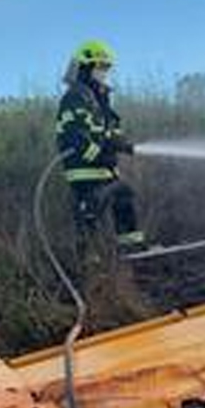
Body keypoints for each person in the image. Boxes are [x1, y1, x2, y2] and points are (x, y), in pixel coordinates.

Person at [55, 39, 145, 252]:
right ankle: (89, 265)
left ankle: (131, 251)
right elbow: (72, 136)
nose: (105, 72)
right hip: (84, 172)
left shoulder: (100, 98)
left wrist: (122, 144)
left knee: (123, 195)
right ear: (86, 67)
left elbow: (109, 131)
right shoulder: (75, 97)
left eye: (107, 68)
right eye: (101, 67)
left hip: (104, 170)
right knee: (90, 215)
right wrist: (100, 154)